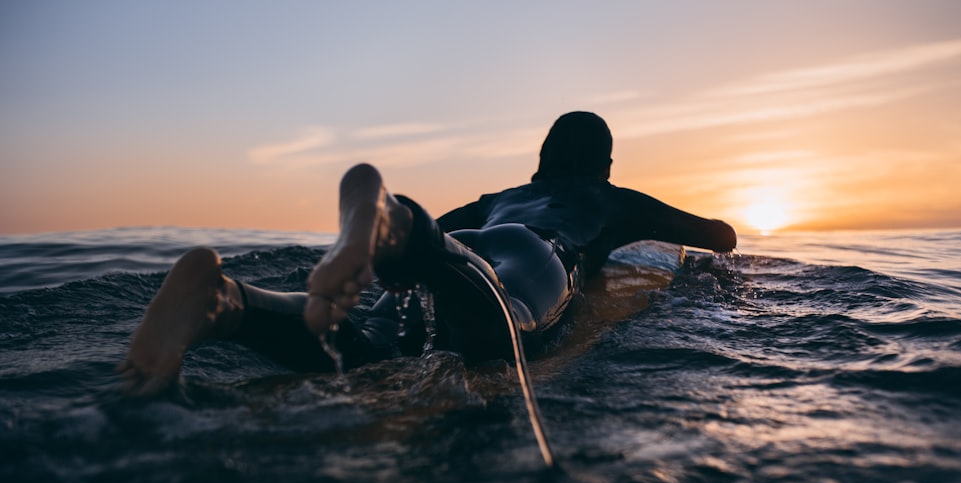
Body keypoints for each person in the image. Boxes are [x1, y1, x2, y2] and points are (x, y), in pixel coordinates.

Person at [118, 111, 737, 396]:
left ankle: (228, 301)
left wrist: (395, 241)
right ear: (603, 166)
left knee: (360, 343)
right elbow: (719, 236)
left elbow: (439, 230)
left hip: (455, 244)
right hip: (529, 257)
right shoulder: (608, 198)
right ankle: (384, 217)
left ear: (542, 157)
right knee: (508, 327)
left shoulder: (502, 195)